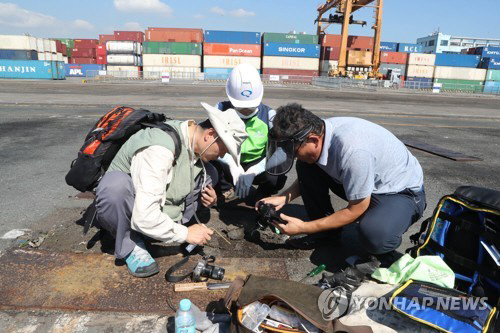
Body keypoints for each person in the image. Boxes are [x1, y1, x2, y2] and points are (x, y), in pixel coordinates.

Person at [261, 103, 426, 266]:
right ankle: (327, 234)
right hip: (366, 180)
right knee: (306, 164)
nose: (294, 156)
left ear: (313, 139)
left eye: (294, 151)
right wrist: (283, 197)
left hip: (399, 193)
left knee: (375, 235)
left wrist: (304, 227)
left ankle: (384, 250)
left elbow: (356, 208)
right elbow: (309, 175)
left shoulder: (353, 152)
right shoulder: (321, 132)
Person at [95, 103, 247, 277]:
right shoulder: (159, 150)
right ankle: (130, 243)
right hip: (132, 210)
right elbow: (144, 217)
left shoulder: (190, 137)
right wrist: (185, 234)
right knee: (115, 188)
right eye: (224, 150)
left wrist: (209, 200)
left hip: (150, 205)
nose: (221, 156)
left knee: (211, 172)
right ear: (210, 135)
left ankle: (163, 228)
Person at [211, 63, 287, 204]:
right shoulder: (220, 109)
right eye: (240, 106)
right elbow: (207, 143)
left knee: (277, 174)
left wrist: (254, 170)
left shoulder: (270, 115)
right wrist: (231, 163)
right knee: (209, 164)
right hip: (228, 161)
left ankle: (262, 195)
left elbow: (281, 153)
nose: (245, 109)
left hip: (258, 163)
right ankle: (226, 189)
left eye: (250, 105)